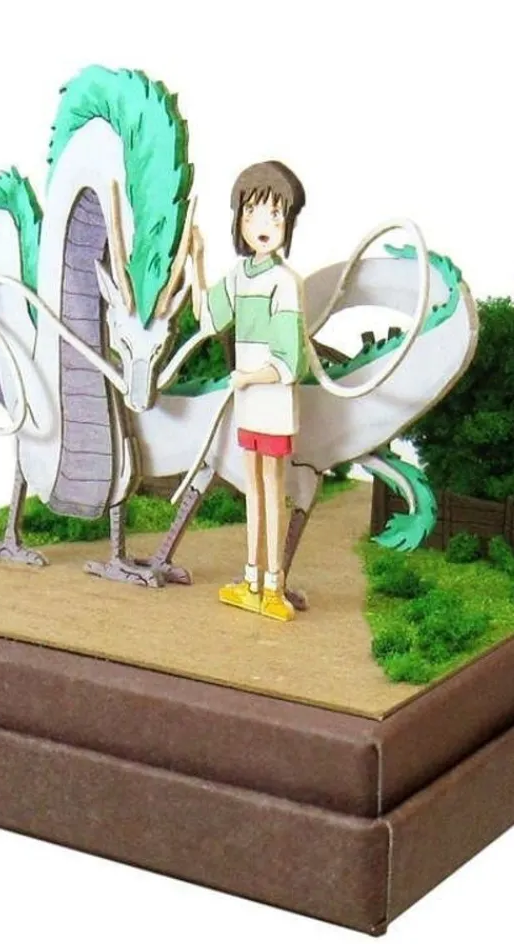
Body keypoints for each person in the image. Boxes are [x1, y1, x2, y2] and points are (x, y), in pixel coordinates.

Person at [192, 160, 307, 622]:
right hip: (248, 403)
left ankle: (274, 584)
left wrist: (249, 377)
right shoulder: (240, 276)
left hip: (271, 402)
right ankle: (251, 579)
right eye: (254, 212)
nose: (264, 224)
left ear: (288, 222)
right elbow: (208, 317)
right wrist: (196, 260)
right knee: (252, 491)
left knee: (273, 490)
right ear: (239, 218)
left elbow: (289, 360)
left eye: (275, 214)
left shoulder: (286, 283)